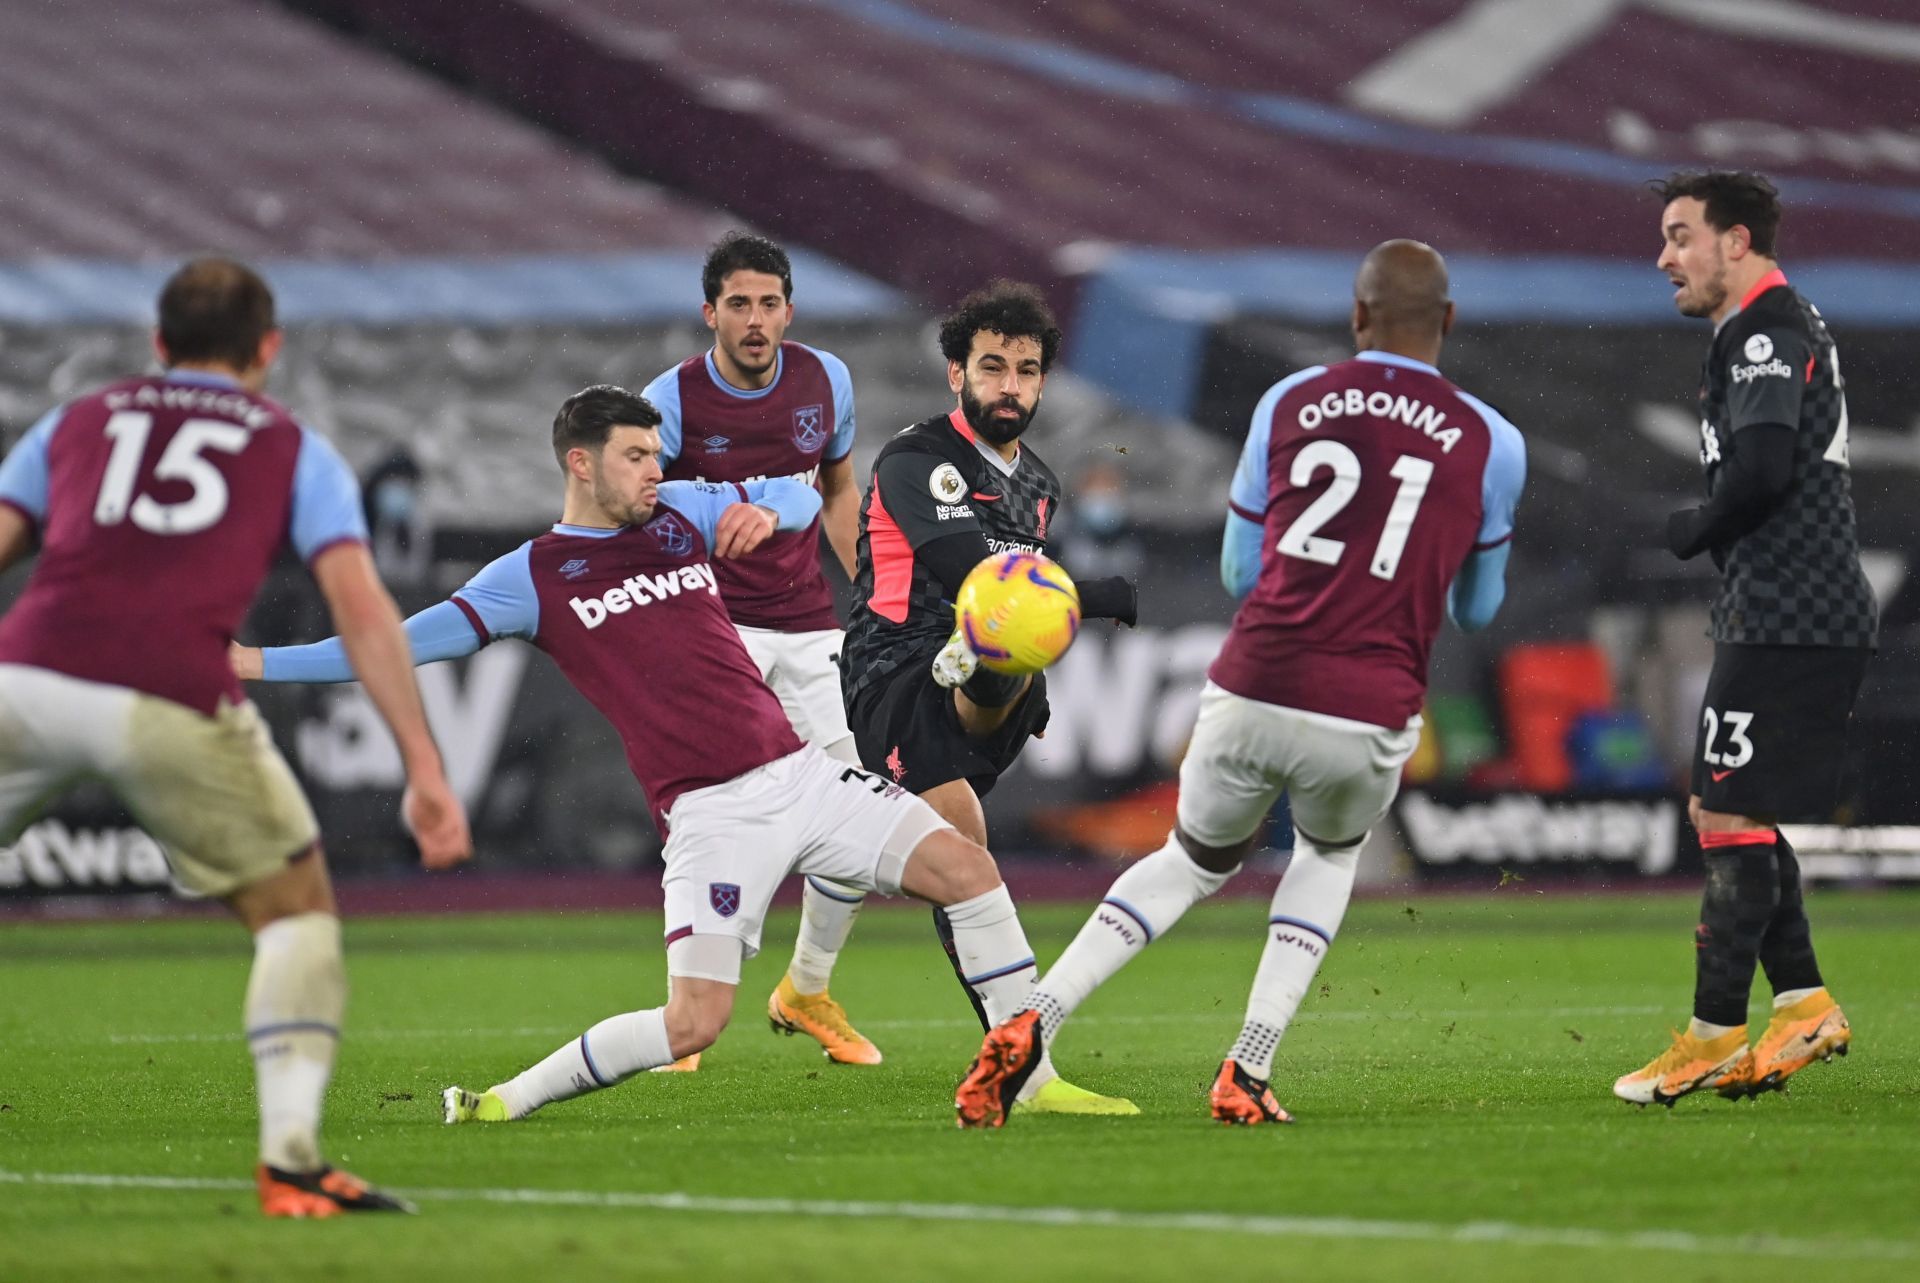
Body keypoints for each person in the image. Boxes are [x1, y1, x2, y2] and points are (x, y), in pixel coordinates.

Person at [234, 385, 1052, 1125]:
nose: (654, 469)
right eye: (635, 456)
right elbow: (391, 644)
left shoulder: (674, 514)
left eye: (657, 453)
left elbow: (799, 495)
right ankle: (501, 1101)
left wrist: (772, 516)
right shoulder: (533, 577)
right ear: (581, 465)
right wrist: (259, 663)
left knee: (969, 870)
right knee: (693, 1021)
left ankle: (1032, 1074)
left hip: (802, 773)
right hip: (713, 812)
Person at [953, 241, 1525, 1128]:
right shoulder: (1495, 439)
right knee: (1326, 854)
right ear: (1446, 322)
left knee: (1190, 859)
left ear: (1357, 316)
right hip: (1370, 698)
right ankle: (1248, 1066)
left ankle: (1036, 1015)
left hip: (1256, 676)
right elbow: (1482, 608)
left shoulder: (1289, 401)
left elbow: (1237, 569)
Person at [0, 257, 472, 1214]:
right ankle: (292, 1163)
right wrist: (424, 765)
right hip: (171, 694)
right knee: (295, 909)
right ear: (269, 349)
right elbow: (361, 604)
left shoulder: (79, 419)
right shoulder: (294, 445)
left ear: (158, 343)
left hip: (28, 675)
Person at [839, 280, 1142, 1117]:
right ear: (956, 374)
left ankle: (987, 678)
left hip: (980, 697)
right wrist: (1102, 592)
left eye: (1026, 370)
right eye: (992, 366)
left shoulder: (1038, 484)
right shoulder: (917, 459)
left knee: (1008, 641)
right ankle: (1028, 1074)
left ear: (1044, 384)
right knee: (967, 859)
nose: (1009, 384)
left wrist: (1060, 606)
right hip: (894, 676)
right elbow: (974, 575)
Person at [1613, 172, 1870, 1106]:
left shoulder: (1765, 328)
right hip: (1779, 604)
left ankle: (1714, 1032)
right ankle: (1800, 1001)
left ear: (1737, 241)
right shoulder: (1761, 328)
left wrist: (1689, 526)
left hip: (1792, 607)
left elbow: (1761, 472)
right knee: (1733, 807)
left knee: (1725, 811)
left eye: (1681, 235)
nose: (1664, 257)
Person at [641, 232, 875, 1069]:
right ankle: (687, 1015)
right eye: (737, 303)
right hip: (714, 624)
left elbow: (840, 490)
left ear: (789, 310)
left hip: (811, 623)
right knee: (716, 815)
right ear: (710, 312)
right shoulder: (669, 399)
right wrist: (725, 509)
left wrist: (874, 602)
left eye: (768, 302)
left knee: (862, 807)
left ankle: (806, 986)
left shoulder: (826, 380)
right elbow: (634, 509)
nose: (754, 319)